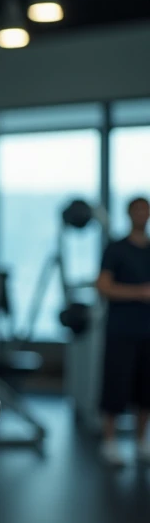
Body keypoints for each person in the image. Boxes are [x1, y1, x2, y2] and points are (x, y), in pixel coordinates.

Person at [97, 196, 150, 466]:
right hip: (121, 329)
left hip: (147, 331)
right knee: (116, 385)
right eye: (137, 209)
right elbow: (103, 287)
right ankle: (110, 442)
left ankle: (141, 443)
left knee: (146, 390)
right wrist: (139, 292)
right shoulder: (116, 249)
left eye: (145, 209)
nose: (141, 214)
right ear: (129, 214)